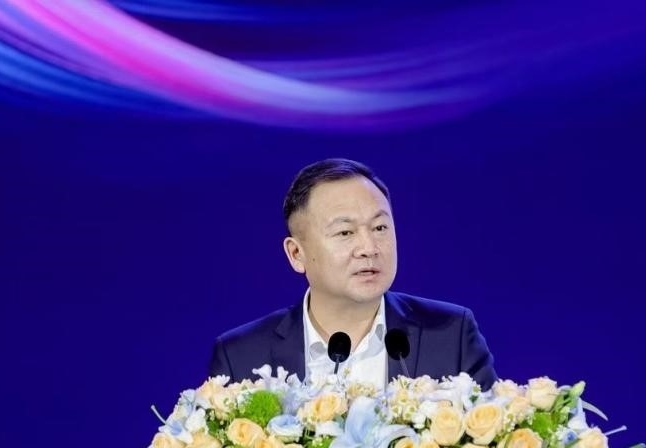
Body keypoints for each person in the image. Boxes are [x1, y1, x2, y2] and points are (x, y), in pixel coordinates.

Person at [209, 158, 497, 389]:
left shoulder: (452, 334)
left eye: (380, 228)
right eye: (345, 232)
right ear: (296, 254)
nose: (369, 248)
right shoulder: (241, 357)